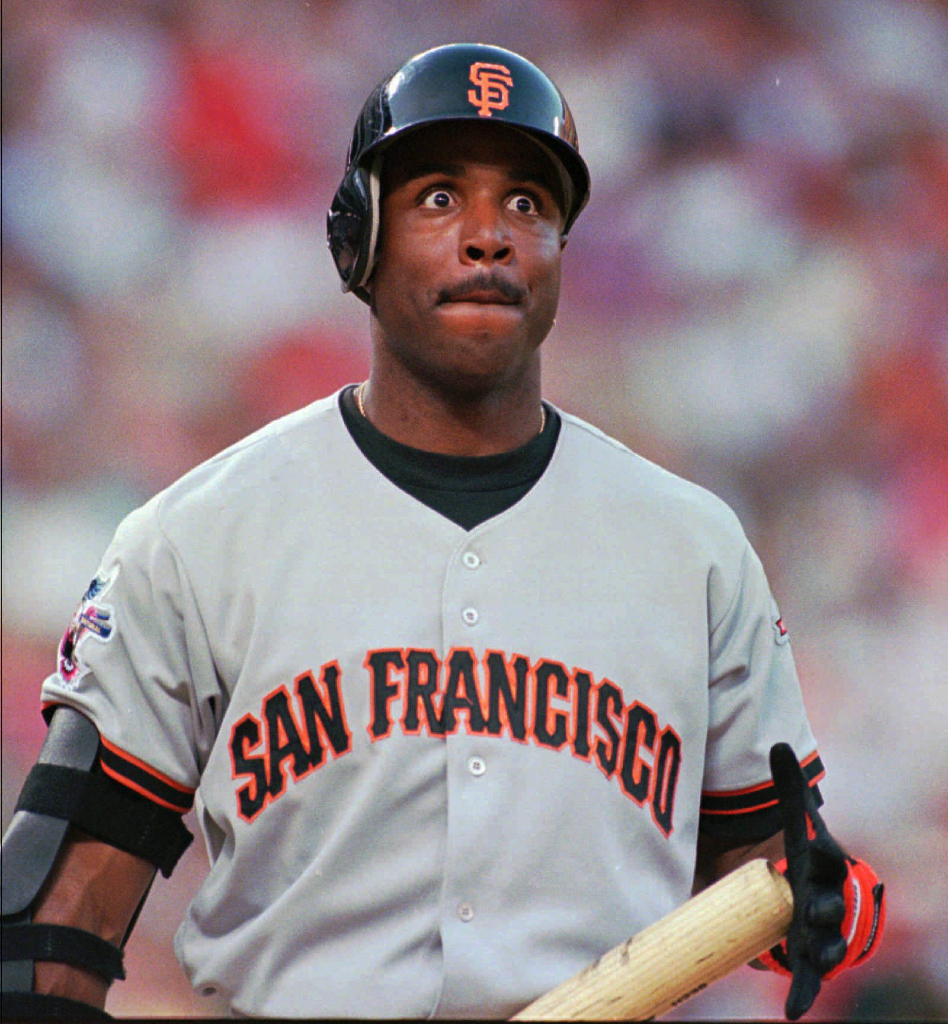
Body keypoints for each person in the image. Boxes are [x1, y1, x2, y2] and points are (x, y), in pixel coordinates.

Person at [0, 43, 885, 1021]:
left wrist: (821, 897)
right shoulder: (197, 536)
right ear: (359, 242)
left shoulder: (696, 548)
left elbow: (768, 867)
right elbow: (52, 923)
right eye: (435, 198)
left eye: (527, 204)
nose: (489, 236)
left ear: (560, 252)